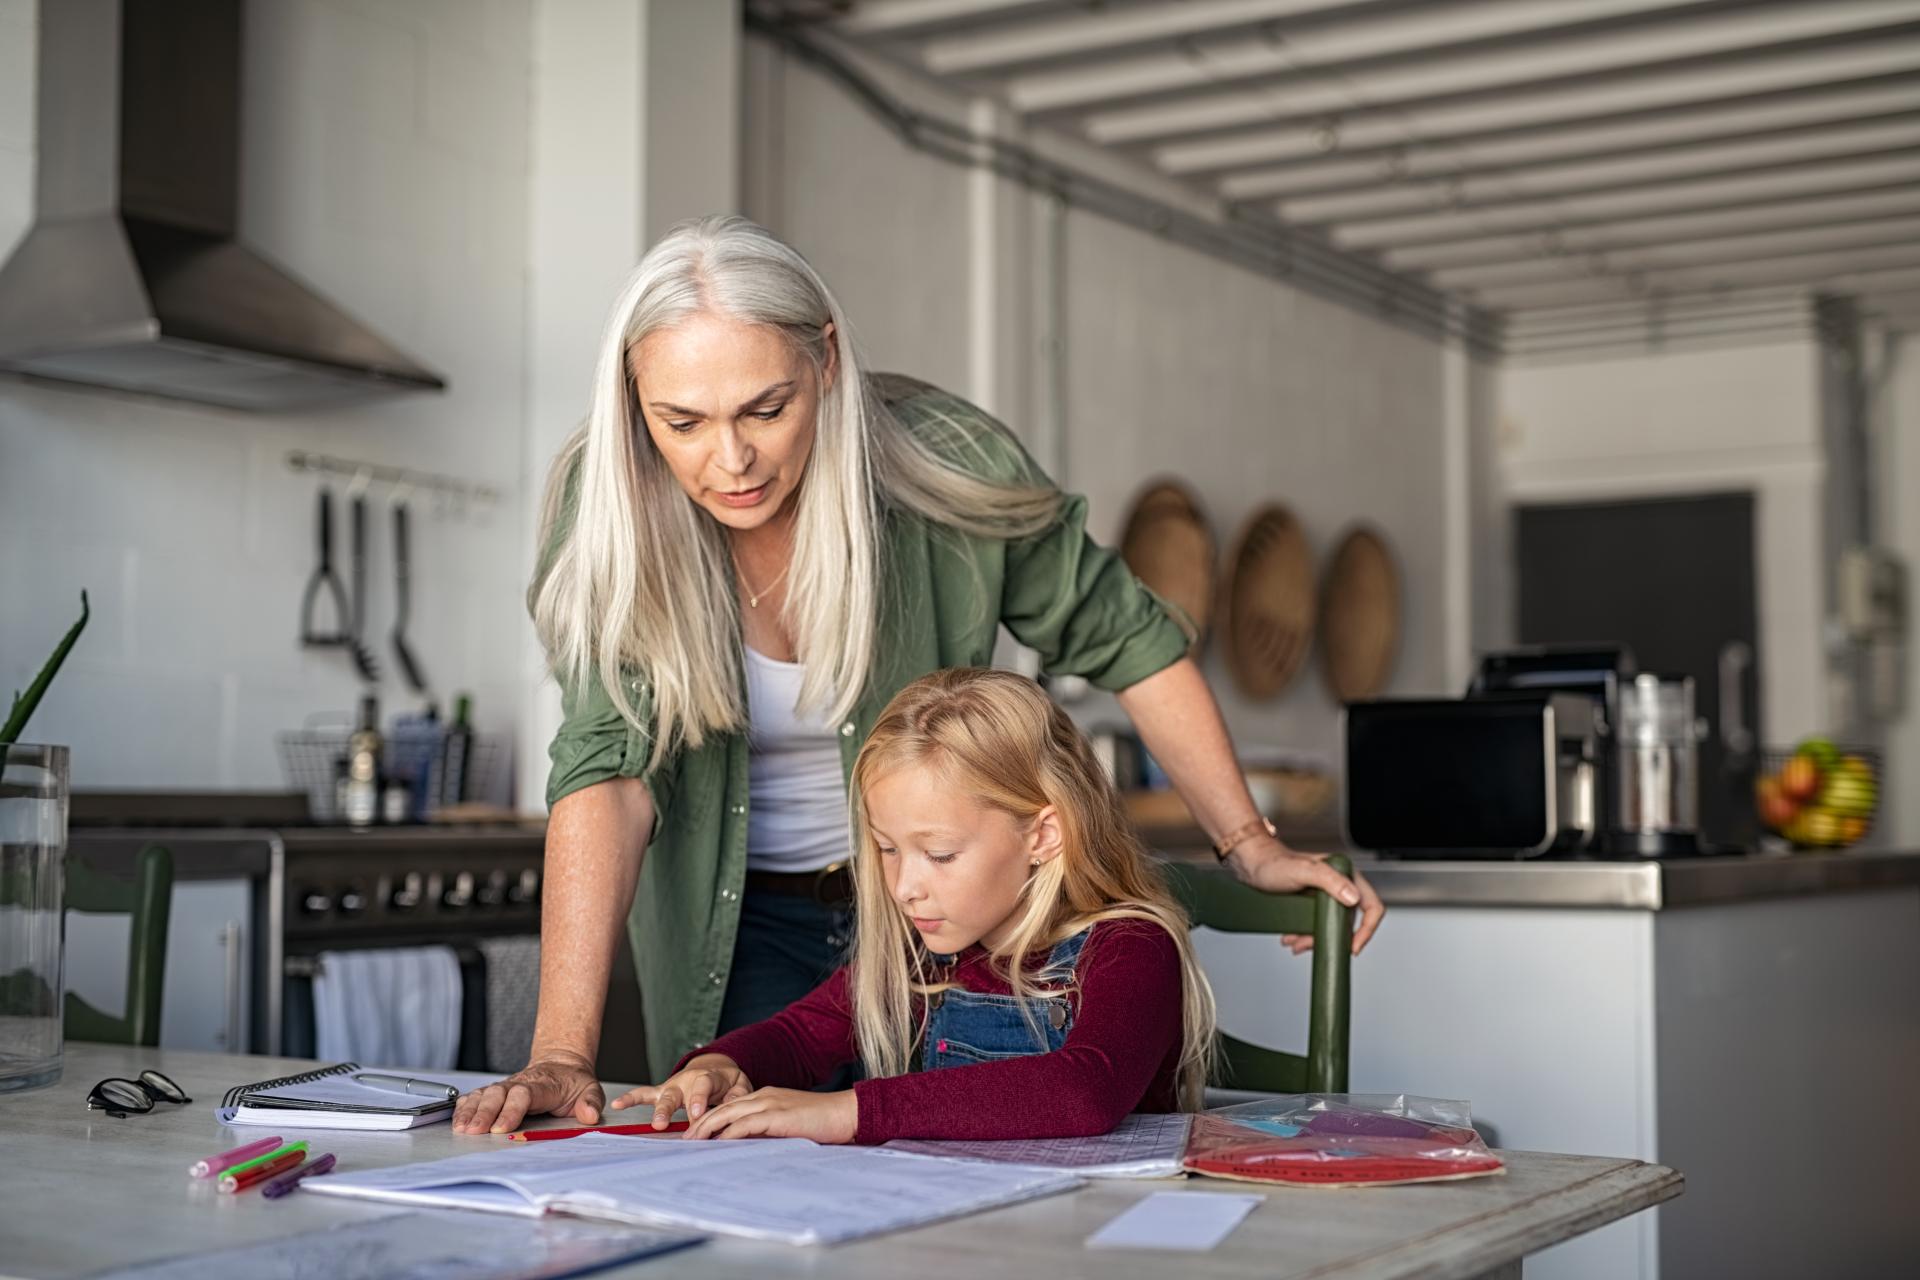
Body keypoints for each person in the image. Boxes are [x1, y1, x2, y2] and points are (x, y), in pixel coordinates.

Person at [452, 216, 1383, 1137]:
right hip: (736, 922)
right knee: (753, 1157)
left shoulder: (951, 467)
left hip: (947, 903)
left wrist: (1246, 840)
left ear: (825, 360)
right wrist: (563, 1054)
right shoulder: (611, 507)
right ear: (634, 399)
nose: (729, 460)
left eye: (766, 410)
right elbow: (605, 772)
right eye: (682, 422)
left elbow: (1128, 640)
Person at [612, 668, 1216, 1143]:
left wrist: (849, 1112)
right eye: (887, 849)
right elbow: (799, 1037)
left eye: (941, 854)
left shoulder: (1130, 946)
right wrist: (720, 1063)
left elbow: (1085, 1090)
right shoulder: (920, 955)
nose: (904, 887)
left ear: (1043, 836)